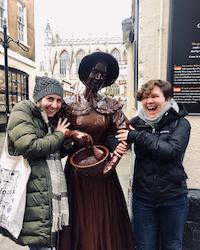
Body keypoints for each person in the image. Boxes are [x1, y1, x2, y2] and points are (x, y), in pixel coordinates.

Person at [59, 52, 134, 250]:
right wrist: (71, 133)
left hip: (103, 171)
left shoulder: (111, 106)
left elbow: (124, 135)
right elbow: (55, 131)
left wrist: (112, 163)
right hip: (76, 174)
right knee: (79, 217)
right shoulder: (68, 104)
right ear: (86, 72)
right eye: (95, 71)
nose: (98, 78)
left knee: (103, 216)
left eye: (103, 75)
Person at [116, 79, 191, 250]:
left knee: (172, 246)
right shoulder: (136, 123)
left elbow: (172, 151)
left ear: (167, 98)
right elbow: (115, 139)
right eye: (145, 97)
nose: (149, 101)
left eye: (155, 96)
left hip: (173, 197)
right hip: (143, 199)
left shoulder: (180, 123)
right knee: (144, 246)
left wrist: (137, 136)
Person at [1, 76, 73, 250]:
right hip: (33, 192)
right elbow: (30, 147)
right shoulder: (22, 110)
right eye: (50, 99)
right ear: (39, 98)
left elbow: (50, 151)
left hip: (42, 191)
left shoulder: (45, 119)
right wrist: (59, 135)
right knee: (41, 244)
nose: (55, 105)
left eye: (58, 100)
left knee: (44, 243)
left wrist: (65, 144)